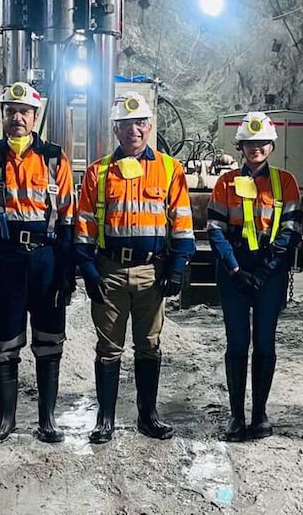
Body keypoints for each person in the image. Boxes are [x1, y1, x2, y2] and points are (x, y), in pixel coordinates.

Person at [75, 92, 195, 444]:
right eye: (126, 124)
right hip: (110, 270)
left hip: (151, 272)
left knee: (148, 345)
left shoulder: (170, 168)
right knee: (109, 348)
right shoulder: (98, 171)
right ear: (115, 128)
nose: (134, 130)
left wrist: (177, 266)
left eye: (140, 122)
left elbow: (182, 222)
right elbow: (84, 225)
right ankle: (105, 419)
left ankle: (148, 415)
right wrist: (88, 270)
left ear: (150, 126)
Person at [0, 82, 75, 444]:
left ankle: (48, 420)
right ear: (2, 115)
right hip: (5, 259)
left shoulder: (55, 158)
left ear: (35, 117)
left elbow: (69, 218)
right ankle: (5, 421)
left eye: (24, 111)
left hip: (46, 259)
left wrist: (67, 271)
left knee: (49, 340)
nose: (17, 118)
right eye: (10, 111)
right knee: (6, 342)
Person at [207, 112, 303, 441]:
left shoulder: (285, 183)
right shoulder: (225, 183)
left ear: (271, 145)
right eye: (249, 143)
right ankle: (236, 416)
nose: (255, 148)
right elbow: (216, 229)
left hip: (269, 270)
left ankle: (259, 413)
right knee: (237, 343)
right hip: (234, 269)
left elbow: (291, 229)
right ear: (241, 147)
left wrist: (265, 269)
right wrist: (235, 269)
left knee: (264, 341)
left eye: (261, 142)